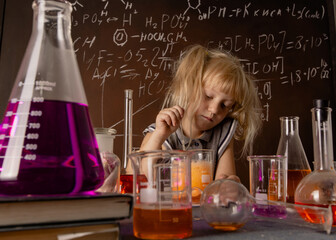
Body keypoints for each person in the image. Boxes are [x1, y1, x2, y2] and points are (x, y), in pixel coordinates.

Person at [140, 44, 262, 182]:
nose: (214, 110)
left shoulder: (222, 132)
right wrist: (159, 135)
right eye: (208, 97)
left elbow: (223, 184)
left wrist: (229, 186)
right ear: (190, 87)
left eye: (224, 105)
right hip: (166, 203)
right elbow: (142, 174)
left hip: (205, 203)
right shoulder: (161, 130)